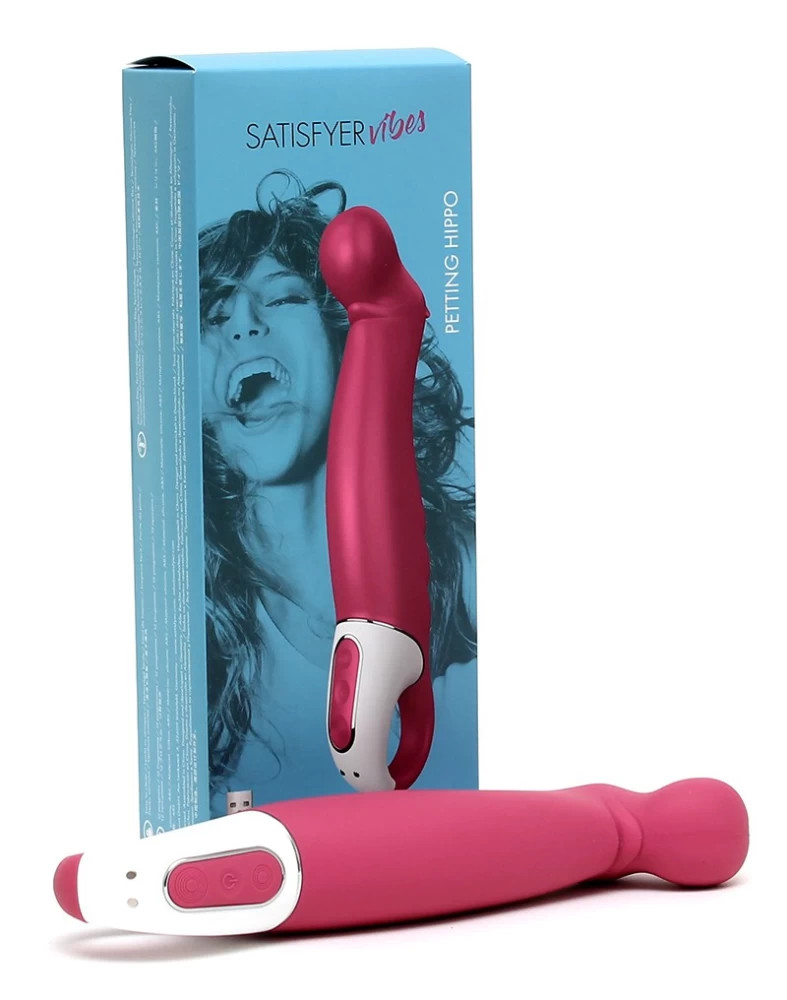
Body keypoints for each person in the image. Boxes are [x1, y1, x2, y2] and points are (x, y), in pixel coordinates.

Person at [199, 171, 476, 814]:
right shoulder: (198, 650)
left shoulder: (470, 573)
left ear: (338, 337)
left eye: (283, 298)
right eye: (215, 315)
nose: (244, 325)